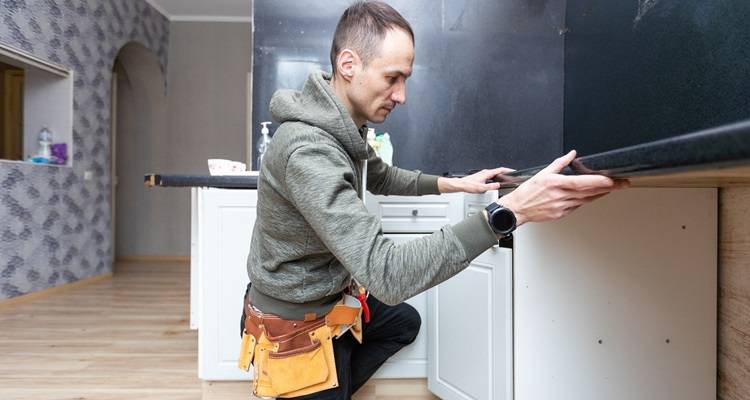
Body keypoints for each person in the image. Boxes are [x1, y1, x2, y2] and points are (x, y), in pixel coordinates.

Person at [240, 2, 629, 399]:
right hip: (294, 325)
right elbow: (387, 274)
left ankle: (331, 381)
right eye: (392, 78)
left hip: (329, 299)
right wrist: (508, 214)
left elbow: (381, 175)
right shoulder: (309, 152)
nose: (402, 95)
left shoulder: (341, 126)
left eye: (404, 79)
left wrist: (455, 185)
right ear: (349, 64)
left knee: (402, 324)